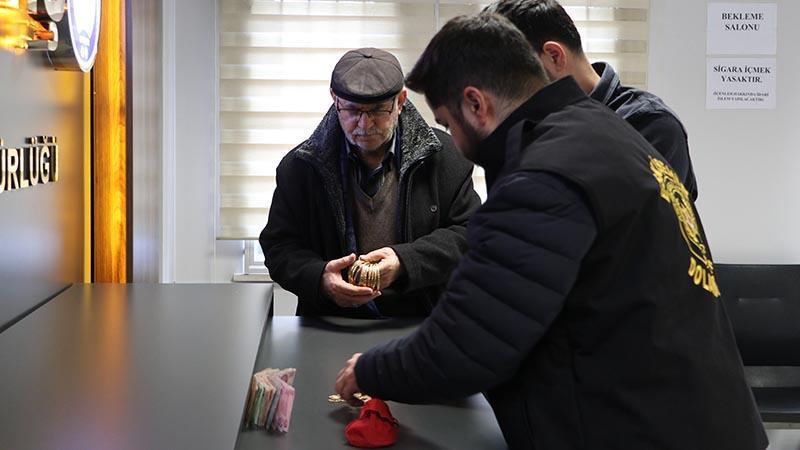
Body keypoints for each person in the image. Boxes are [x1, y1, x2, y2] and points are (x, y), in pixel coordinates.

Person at [334, 14, 767, 450]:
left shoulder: (545, 174)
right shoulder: (604, 131)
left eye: (448, 123)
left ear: (476, 104)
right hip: (700, 414)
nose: (455, 142)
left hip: (647, 427)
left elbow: (474, 339)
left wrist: (371, 371)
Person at [260, 48, 481, 318]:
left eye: (378, 110)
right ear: (335, 100)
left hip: (423, 320)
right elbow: (279, 247)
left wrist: (404, 262)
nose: (364, 124)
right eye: (352, 110)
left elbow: (470, 233)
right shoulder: (300, 167)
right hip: (331, 322)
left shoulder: (446, 157)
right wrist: (320, 278)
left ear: (400, 101)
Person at [487, 0, 699, 200]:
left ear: (554, 56)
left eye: (510, 81)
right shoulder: (524, 131)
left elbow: (639, 221)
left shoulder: (649, 125)